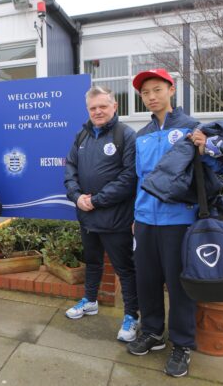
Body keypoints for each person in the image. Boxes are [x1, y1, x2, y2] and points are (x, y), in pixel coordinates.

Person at [128, 69, 223, 377]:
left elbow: (217, 167)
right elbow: (139, 179)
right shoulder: (141, 135)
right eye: (145, 93)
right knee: (146, 280)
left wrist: (205, 147)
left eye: (157, 89)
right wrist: (135, 216)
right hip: (145, 219)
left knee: (180, 284)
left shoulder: (191, 127)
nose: (151, 97)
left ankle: (182, 344)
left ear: (171, 89)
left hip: (179, 219)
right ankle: (153, 332)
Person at [64, 85, 139, 342]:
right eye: (93, 108)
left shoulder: (126, 135)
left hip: (115, 218)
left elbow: (129, 177)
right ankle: (90, 300)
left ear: (114, 106)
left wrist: (96, 201)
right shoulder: (81, 136)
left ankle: (132, 315)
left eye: (103, 106)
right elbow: (70, 169)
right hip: (87, 216)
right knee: (93, 262)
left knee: (125, 269)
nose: (97, 111)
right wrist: (77, 197)